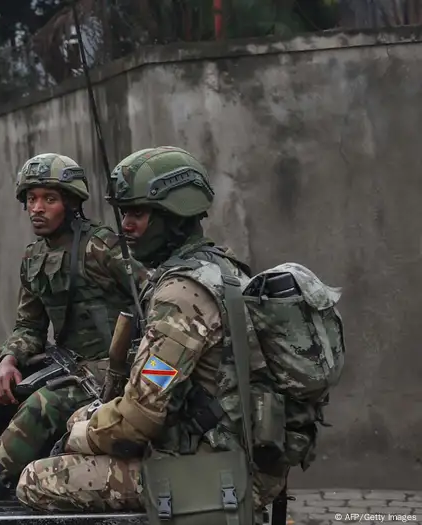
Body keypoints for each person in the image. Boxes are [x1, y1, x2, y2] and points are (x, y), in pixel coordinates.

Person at [15, 146, 286, 522]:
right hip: (230, 447)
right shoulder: (220, 267)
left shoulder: (181, 296)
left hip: (215, 468)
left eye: (138, 214)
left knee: (36, 478)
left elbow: (136, 420)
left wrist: (77, 434)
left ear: (173, 217)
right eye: (124, 213)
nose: (125, 226)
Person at [0, 153, 143, 512]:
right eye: (31, 199)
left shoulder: (102, 247)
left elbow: (150, 303)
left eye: (49, 199)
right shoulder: (34, 257)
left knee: (45, 403)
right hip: (67, 361)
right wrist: (9, 359)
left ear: (71, 204)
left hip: (109, 371)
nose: (37, 208)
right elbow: (29, 325)